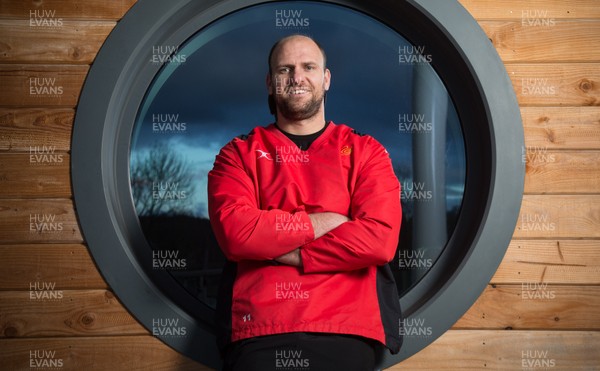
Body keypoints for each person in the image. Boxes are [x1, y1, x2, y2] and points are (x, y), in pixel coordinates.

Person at [208, 34, 402, 371]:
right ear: (270, 83)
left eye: (308, 67)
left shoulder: (366, 151)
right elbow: (236, 232)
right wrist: (329, 222)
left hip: (346, 327)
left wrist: (282, 246)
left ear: (326, 79)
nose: (297, 77)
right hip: (261, 328)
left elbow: (379, 240)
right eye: (285, 69)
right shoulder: (237, 154)